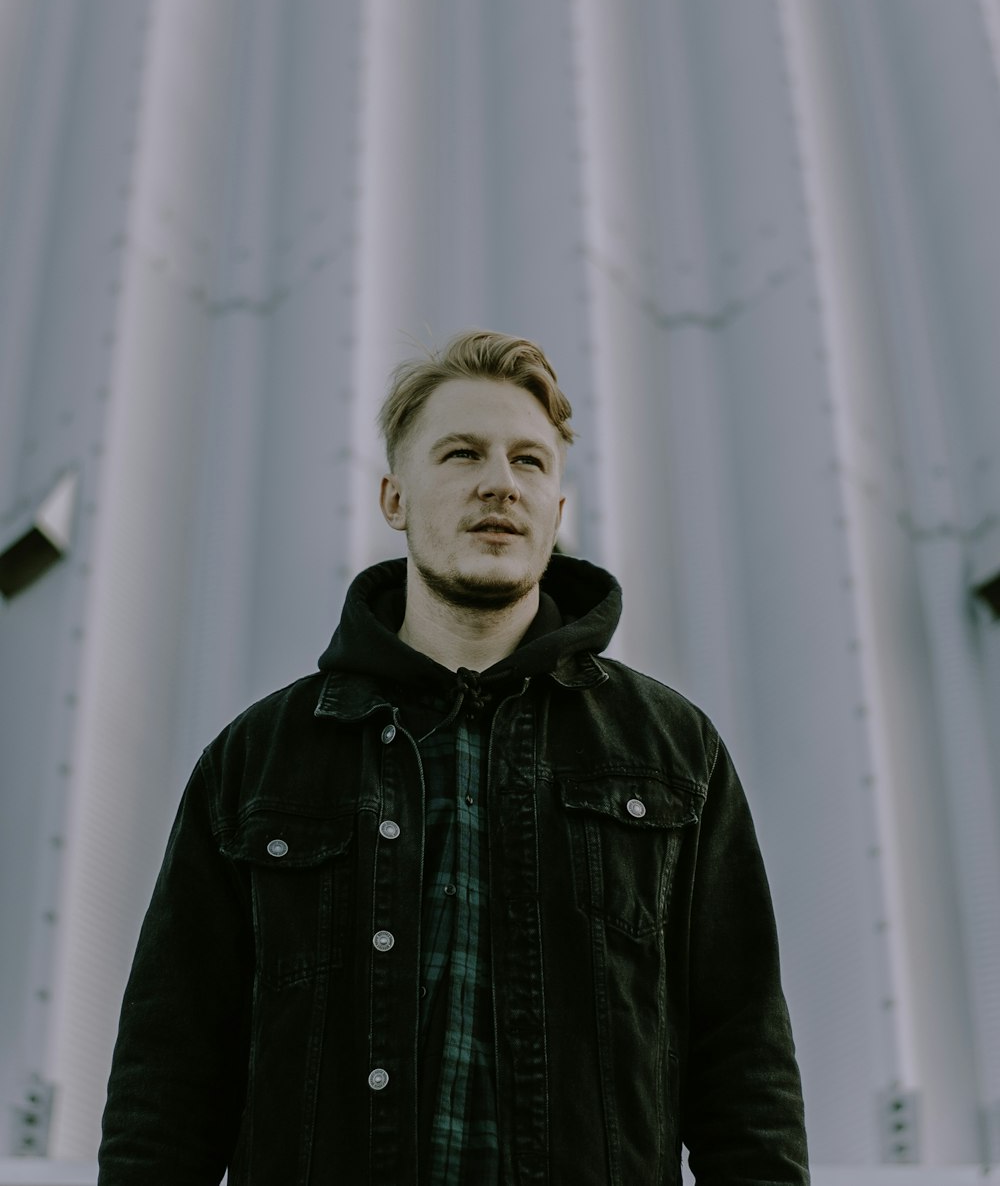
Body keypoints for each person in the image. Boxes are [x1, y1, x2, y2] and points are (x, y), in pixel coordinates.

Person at [98, 329, 809, 1185]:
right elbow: (168, 1081)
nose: (500, 484)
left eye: (530, 463)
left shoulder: (672, 753)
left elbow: (745, 1071)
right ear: (395, 498)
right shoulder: (259, 760)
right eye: (462, 454)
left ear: (557, 507)